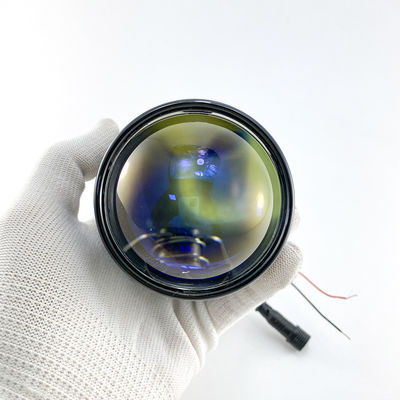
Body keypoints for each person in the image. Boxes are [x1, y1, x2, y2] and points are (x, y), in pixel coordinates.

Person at [0, 119, 302, 399]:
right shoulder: (159, 210)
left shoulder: (179, 212)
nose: (194, 173)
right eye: (185, 166)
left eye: (202, 167)